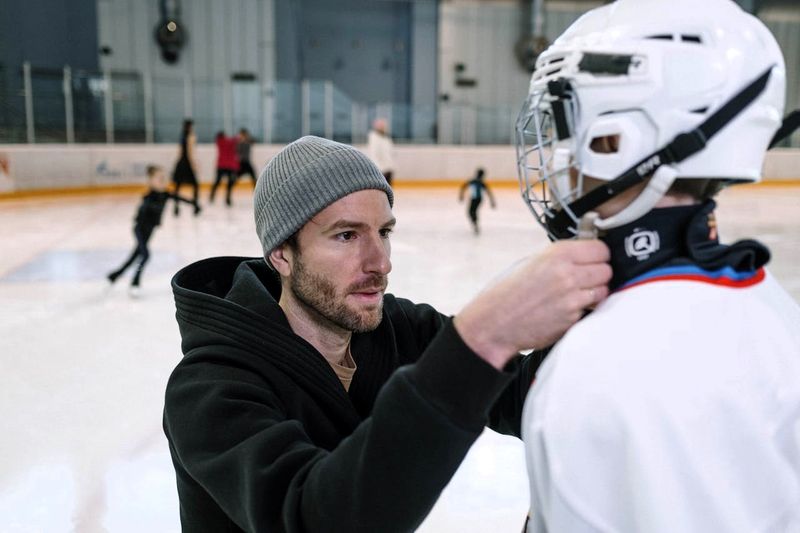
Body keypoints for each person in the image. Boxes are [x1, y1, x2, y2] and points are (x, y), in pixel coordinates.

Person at [163, 135, 612, 532]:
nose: (380, 261)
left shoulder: (396, 329)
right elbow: (314, 518)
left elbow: (524, 396)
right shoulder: (210, 387)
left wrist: (596, 302)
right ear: (281, 254)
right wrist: (483, 337)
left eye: (384, 232)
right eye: (346, 236)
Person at [515, 1, 800, 531]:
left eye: (564, 124)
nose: (554, 153)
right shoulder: (772, 307)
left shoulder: (602, 363)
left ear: (620, 137)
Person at [107, 165, 199, 296]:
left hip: (150, 231)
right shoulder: (148, 197)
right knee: (145, 255)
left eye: (164, 178)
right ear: (150, 181)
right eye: (159, 179)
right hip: (140, 230)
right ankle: (135, 281)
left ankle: (115, 275)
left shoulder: (165, 194)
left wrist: (194, 203)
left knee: (135, 256)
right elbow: (141, 213)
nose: (163, 181)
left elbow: (180, 198)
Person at [171, 119, 201, 216]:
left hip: (181, 163)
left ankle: (176, 207)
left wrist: (178, 163)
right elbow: (190, 152)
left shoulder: (182, 135)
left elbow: (180, 151)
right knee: (195, 185)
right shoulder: (191, 136)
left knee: (178, 186)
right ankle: (195, 206)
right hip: (187, 163)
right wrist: (193, 165)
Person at [458, 167, 496, 235]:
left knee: (471, 212)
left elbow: (463, 186)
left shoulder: (474, 181)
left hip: (475, 199)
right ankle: (475, 224)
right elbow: (488, 192)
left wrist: (461, 195)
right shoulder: (480, 182)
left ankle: (475, 224)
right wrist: (492, 201)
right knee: (472, 212)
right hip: (477, 199)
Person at [209, 130, 239, 207]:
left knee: (217, 182)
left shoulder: (219, 142)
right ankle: (228, 199)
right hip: (230, 166)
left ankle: (212, 196)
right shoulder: (228, 141)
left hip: (221, 165)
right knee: (230, 183)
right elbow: (235, 140)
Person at [366, 117, 395, 186]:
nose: (383, 128)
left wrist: (391, 165)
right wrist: (378, 168)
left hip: (388, 167)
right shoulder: (374, 138)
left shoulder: (386, 138)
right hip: (380, 169)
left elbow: (390, 153)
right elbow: (374, 154)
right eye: (381, 126)